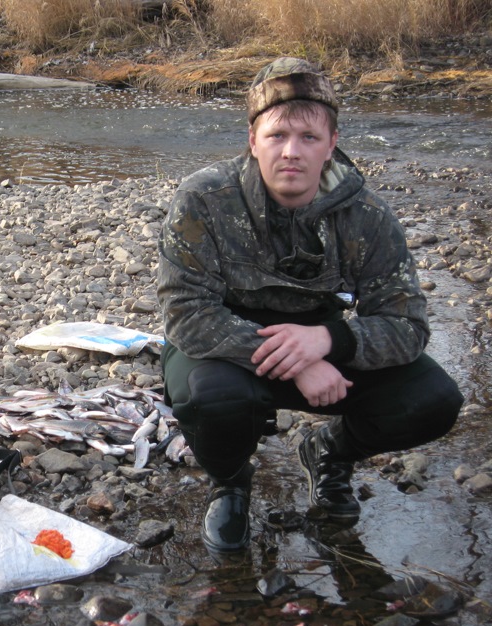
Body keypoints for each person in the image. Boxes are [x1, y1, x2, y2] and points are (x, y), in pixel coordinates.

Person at [157, 58, 463, 555]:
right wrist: (300, 363)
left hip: (324, 341)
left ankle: (329, 453)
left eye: (308, 137)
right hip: (221, 347)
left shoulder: (367, 215)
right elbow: (186, 314)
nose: (291, 152)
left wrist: (329, 341)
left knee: (434, 399)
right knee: (211, 398)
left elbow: (406, 324)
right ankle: (231, 483)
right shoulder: (203, 199)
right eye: (277, 136)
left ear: (332, 144)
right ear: (252, 141)